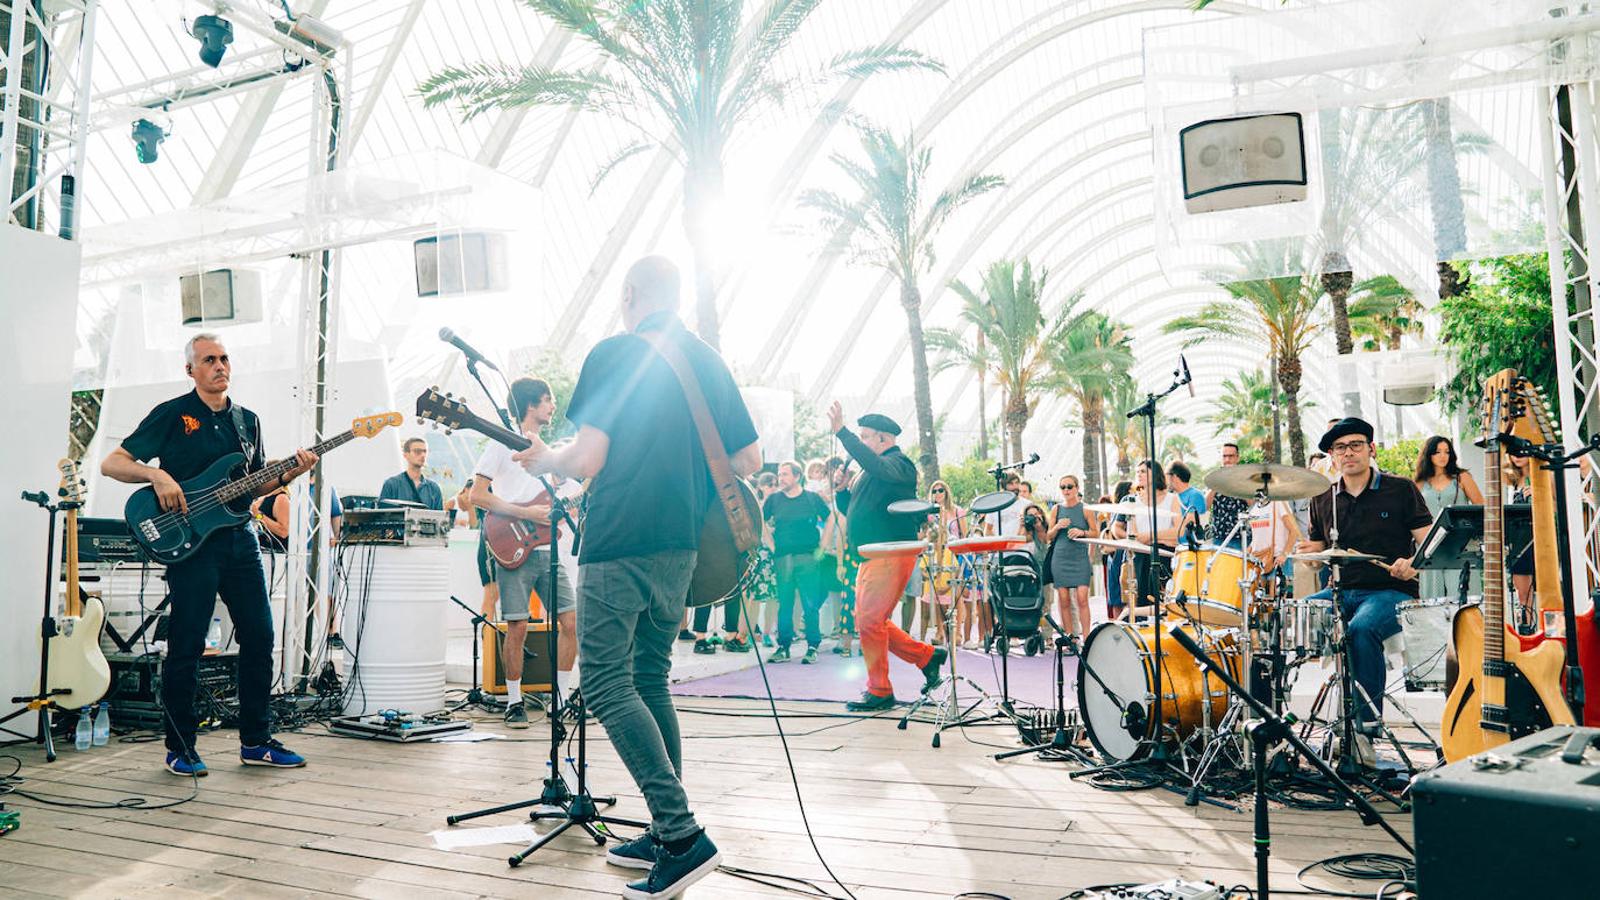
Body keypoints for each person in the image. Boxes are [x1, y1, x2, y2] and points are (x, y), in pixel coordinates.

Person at [512, 255, 760, 897]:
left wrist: (547, 458)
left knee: (602, 679)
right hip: (682, 546)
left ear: (628, 295)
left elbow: (588, 457)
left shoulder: (614, 353)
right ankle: (661, 824)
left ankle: (680, 835)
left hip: (621, 536)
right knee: (649, 676)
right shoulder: (706, 359)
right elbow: (749, 457)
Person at [101, 333, 314, 776]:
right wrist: (155, 476)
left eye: (224, 358)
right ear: (191, 370)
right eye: (209, 360)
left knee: (259, 636)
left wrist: (287, 473)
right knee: (187, 645)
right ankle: (181, 748)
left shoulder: (247, 420)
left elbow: (252, 485)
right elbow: (113, 463)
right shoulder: (173, 414)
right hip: (191, 547)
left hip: (239, 540)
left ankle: (256, 741)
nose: (219, 366)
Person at [1294, 418, 1432, 762]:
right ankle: (1272, 726)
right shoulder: (1323, 497)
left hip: (1390, 591)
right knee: (1283, 620)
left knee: (1361, 630)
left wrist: (1413, 563)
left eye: (1356, 445)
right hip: (1338, 592)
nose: (1349, 453)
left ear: (1371, 449)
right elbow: (1318, 553)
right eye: (1340, 448)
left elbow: (1429, 542)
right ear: (1331, 456)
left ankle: (1364, 731)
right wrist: (1308, 557)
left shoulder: (1400, 489)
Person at [470, 377, 578, 728]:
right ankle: (514, 702)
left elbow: (557, 498)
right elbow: (478, 496)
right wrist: (526, 513)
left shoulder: (545, 449)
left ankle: (559, 699)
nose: (552, 406)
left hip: (547, 550)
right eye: (547, 400)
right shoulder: (501, 444)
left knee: (571, 623)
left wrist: (566, 507)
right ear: (530, 405)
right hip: (512, 544)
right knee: (516, 626)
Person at [827, 404, 946, 712]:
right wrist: (841, 491)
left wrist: (842, 432)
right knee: (869, 621)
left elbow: (875, 468)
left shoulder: (899, 464)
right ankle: (926, 656)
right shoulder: (873, 470)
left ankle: (880, 690)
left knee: (869, 621)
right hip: (874, 555)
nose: (861, 443)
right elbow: (855, 510)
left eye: (865, 437)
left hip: (890, 554)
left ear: (882, 439)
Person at [764, 461, 830, 663]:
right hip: (783, 557)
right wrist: (771, 545)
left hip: (808, 557)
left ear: (797, 476)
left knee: (810, 604)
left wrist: (823, 546)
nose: (780, 478)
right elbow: (760, 520)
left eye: (784, 474)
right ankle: (783, 647)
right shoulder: (774, 500)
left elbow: (832, 518)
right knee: (785, 603)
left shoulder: (812, 499)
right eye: (779, 474)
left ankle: (812, 647)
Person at [1413, 435, 1485, 599]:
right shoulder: (1419, 482)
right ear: (1429, 455)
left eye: (1447, 451)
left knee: (1463, 595)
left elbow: (1481, 507)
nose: (1443, 456)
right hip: (1430, 543)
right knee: (1432, 598)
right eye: (1437, 452)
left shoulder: (1462, 477)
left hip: (1460, 543)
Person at [1112, 460, 1181, 611]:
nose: (1139, 474)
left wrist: (1151, 536)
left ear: (1155, 473)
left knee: (1164, 601)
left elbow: (1178, 531)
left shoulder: (1172, 499)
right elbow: (1126, 533)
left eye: (1143, 471)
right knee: (1142, 600)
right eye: (1138, 472)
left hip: (1165, 556)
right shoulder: (1134, 502)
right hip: (1141, 555)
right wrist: (1137, 538)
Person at [1047, 476, 1095, 640]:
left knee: (1082, 598)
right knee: (1064, 599)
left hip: (1080, 558)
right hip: (1060, 558)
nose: (1066, 490)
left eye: (1069, 486)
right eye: (1062, 487)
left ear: (1077, 488)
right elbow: (1048, 536)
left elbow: (1095, 533)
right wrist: (1057, 526)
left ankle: (1087, 638)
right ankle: (1071, 637)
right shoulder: (1056, 510)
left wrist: (1082, 533)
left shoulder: (1086, 509)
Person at [378, 437, 446, 510]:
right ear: (406, 455)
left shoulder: (434, 488)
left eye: (425, 451)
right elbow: (381, 516)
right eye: (417, 451)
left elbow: (440, 518)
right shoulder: (391, 484)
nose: (423, 455)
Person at [1207, 442, 1250, 547]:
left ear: (1237, 458)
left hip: (1241, 536)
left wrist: (1238, 483)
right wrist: (1216, 484)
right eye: (1224, 456)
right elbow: (1206, 506)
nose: (1227, 460)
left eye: (1230, 456)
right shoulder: (1214, 477)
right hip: (1219, 536)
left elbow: (1253, 504)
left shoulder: (1245, 478)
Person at [1166, 461, 1206, 545]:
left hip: (1187, 547)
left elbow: (1187, 524)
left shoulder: (1195, 495)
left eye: (1166, 475)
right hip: (1170, 543)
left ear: (1174, 477)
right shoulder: (1172, 496)